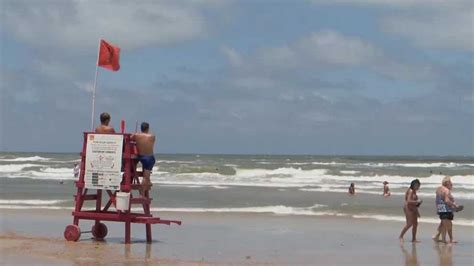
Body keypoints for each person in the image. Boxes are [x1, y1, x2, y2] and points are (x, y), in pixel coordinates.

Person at [432, 176, 463, 244]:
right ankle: (444, 240)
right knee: (447, 225)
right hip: (446, 210)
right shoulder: (446, 190)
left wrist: (438, 208)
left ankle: (437, 237)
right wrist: (455, 206)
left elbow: (438, 200)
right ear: (447, 183)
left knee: (443, 224)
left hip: (440, 209)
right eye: (450, 183)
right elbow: (447, 201)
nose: (452, 184)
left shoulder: (439, 189)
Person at [131, 122, 156, 195]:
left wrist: (135, 134)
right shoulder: (152, 136)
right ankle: (142, 192)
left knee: (147, 177)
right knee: (146, 177)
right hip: (149, 158)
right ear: (148, 128)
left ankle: (148, 183)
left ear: (141, 128)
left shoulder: (136, 135)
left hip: (140, 157)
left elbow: (131, 137)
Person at [399, 179, 422, 243]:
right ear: (413, 185)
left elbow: (414, 202)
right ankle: (401, 236)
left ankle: (414, 239)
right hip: (408, 208)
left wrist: (417, 207)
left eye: (419, 186)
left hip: (414, 208)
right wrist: (417, 201)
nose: (418, 187)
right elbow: (408, 201)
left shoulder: (414, 191)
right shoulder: (410, 191)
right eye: (417, 186)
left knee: (415, 224)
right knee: (409, 224)